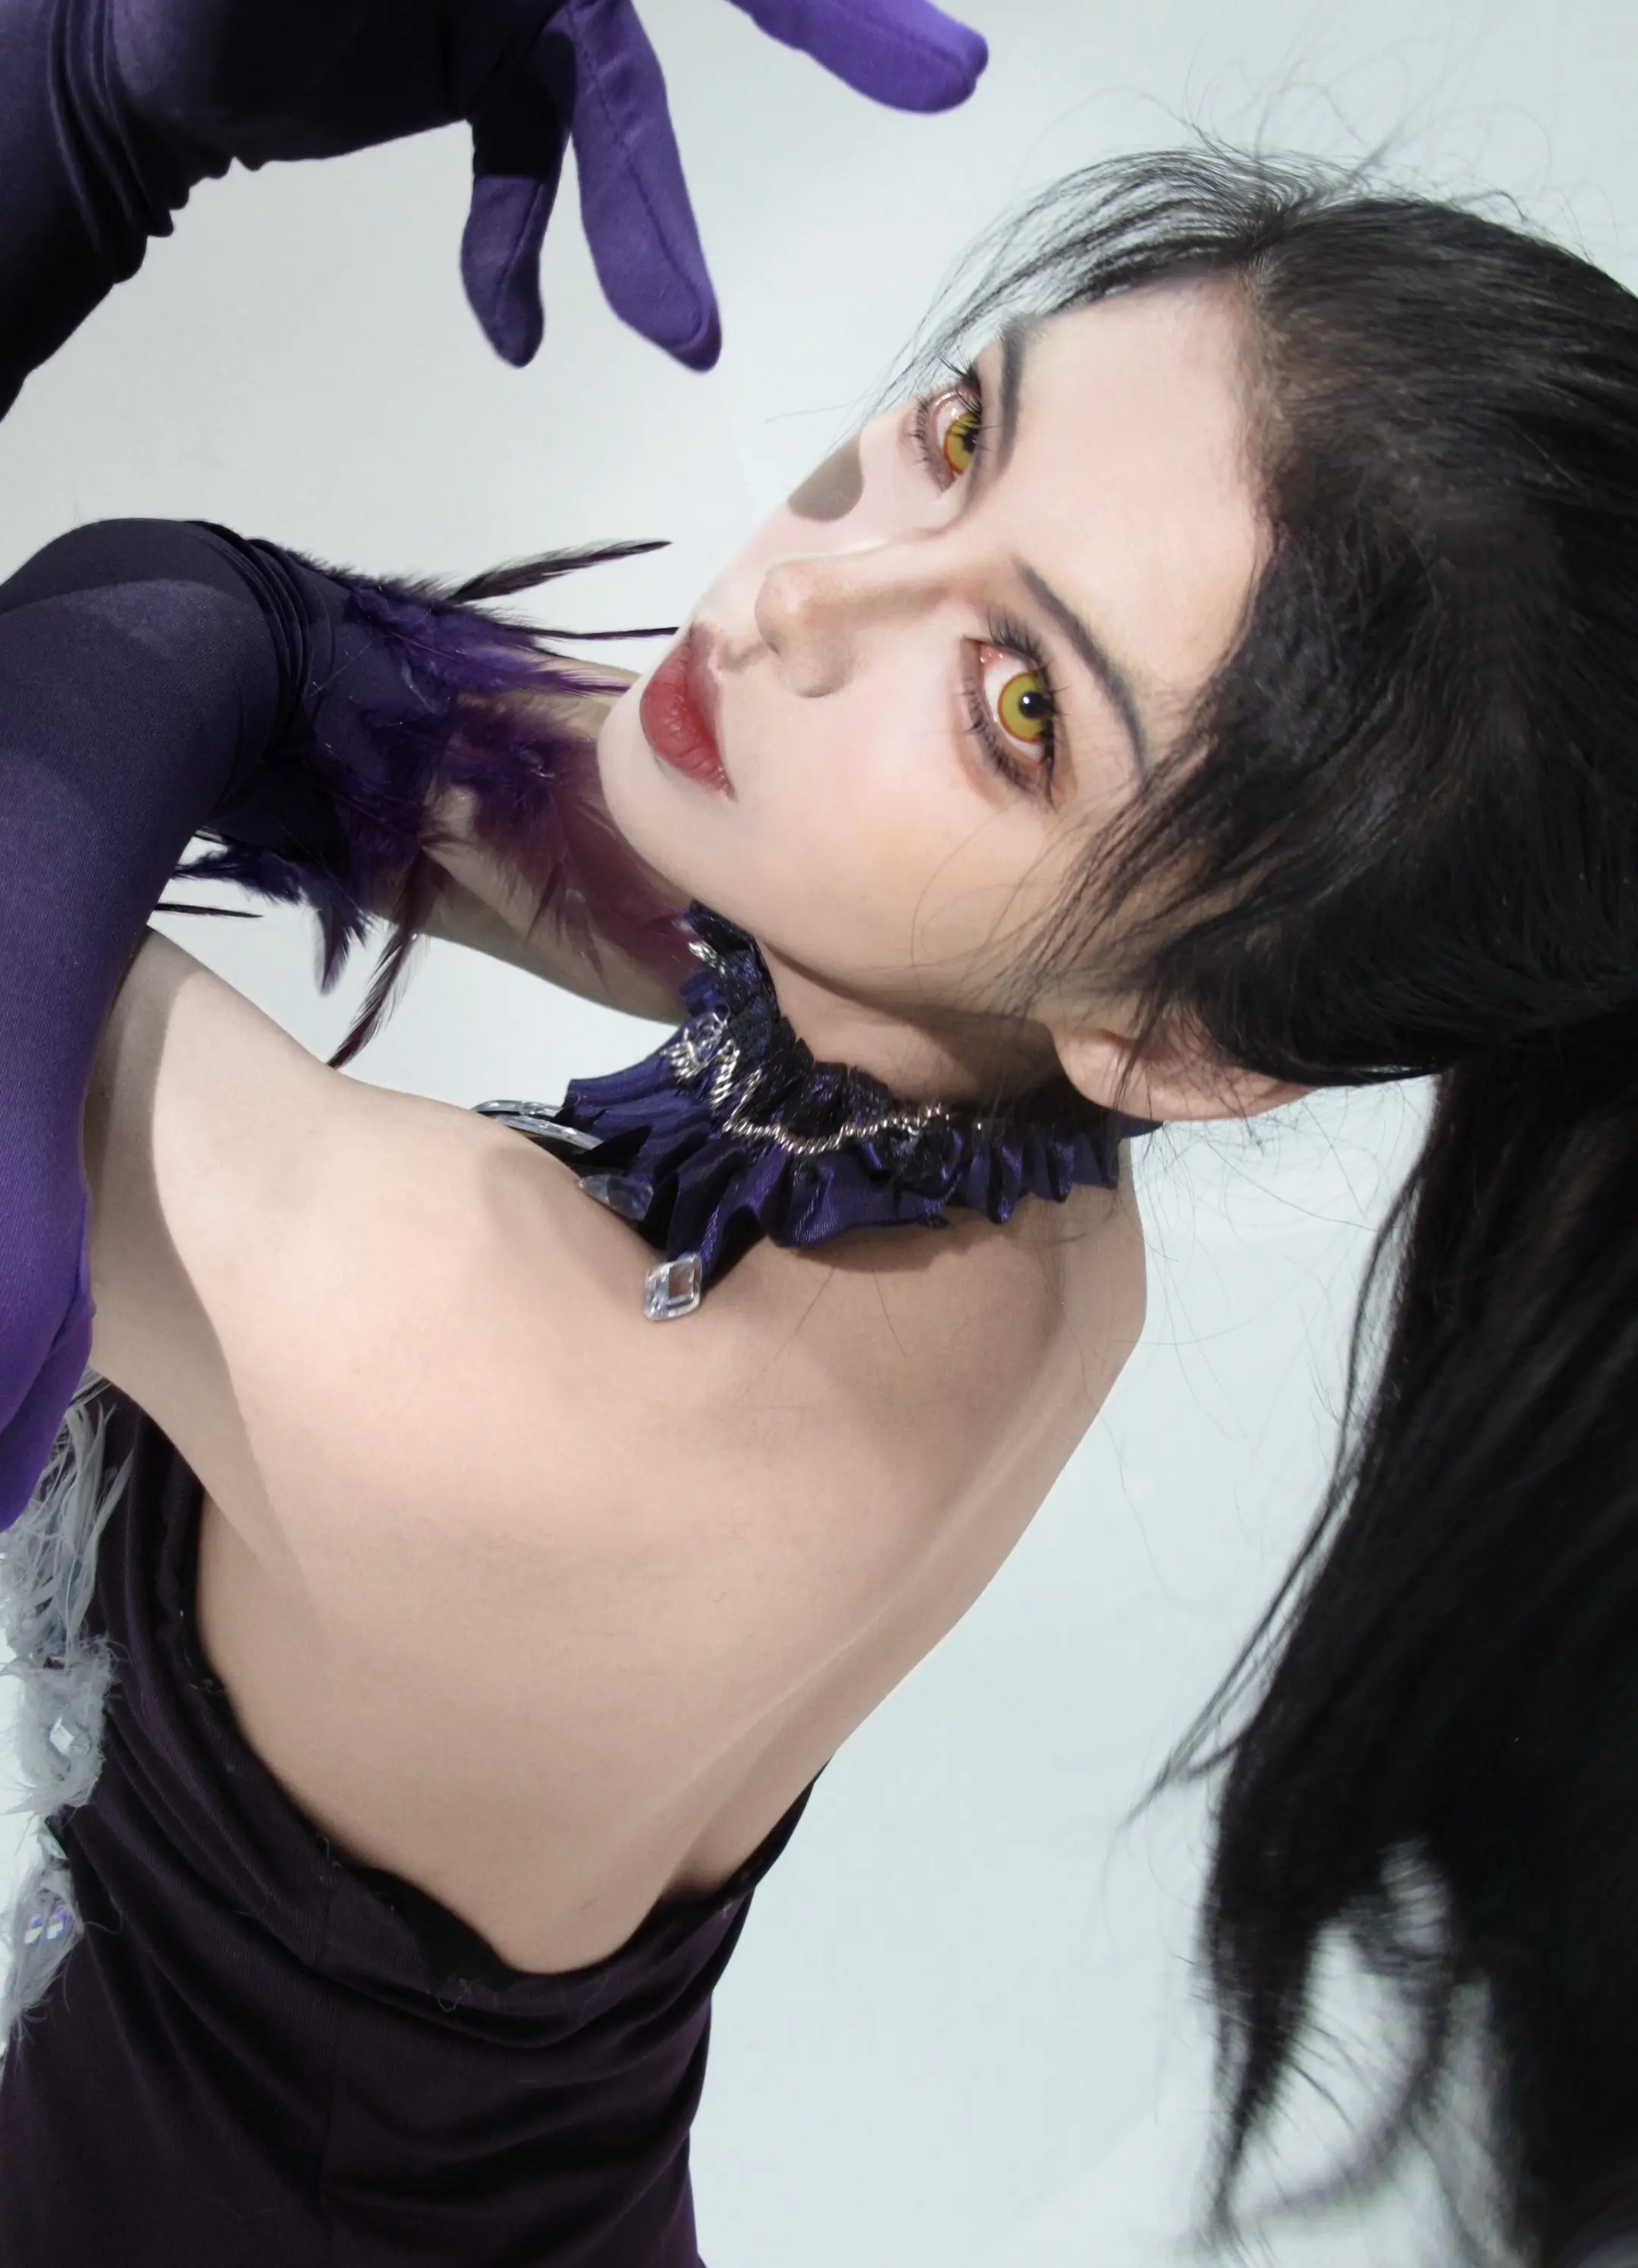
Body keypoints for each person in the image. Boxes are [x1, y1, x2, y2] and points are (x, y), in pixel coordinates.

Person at [1, 15, 1636, 2268]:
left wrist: (83, 106)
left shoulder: (492, 1378)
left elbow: (177, 668)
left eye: (1017, 705)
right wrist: (204, 638)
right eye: (961, 435)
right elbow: (264, 679)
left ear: (1189, 1046)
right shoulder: (1018, 1174)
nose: (800, 594)